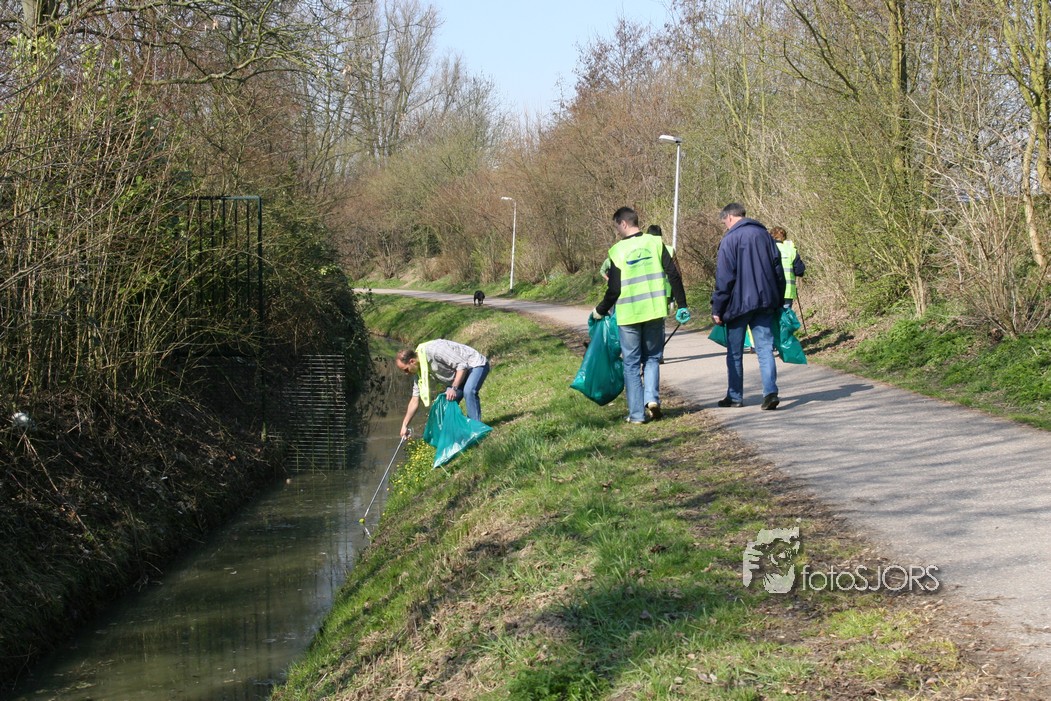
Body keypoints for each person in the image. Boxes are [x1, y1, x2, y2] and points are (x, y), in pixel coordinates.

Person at [592, 207, 690, 423]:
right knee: (652, 358)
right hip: (654, 311)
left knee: (631, 364)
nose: (617, 230)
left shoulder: (617, 250)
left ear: (623, 223)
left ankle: (637, 414)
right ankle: (652, 399)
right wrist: (682, 305)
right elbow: (673, 274)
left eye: (616, 226)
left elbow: (614, 289)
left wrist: (600, 310)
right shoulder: (655, 243)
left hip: (629, 315)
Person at [711, 202, 785, 410]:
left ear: (729, 217)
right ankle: (770, 392)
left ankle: (735, 396)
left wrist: (717, 308)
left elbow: (724, 278)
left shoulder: (730, 239)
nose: (725, 225)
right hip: (765, 302)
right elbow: (778, 270)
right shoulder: (765, 236)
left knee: (734, 352)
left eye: (724, 222)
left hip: (737, 305)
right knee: (765, 349)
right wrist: (778, 299)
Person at [396, 340, 490, 438]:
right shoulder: (418, 370)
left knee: (468, 391)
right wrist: (404, 425)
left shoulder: (434, 350)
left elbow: (462, 365)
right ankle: (456, 434)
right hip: (459, 376)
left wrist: (453, 388)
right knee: (443, 403)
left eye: (406, 370)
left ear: (412, 361)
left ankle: (476, 431)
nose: (406, 373)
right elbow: (415, 399)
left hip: (474, 365)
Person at [770, 226, 805, 308]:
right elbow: (800, 271)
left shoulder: (767, 250)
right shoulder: (790, 250)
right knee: (785, 315)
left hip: (771, 291)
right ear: (784, 237)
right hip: (787, 291)